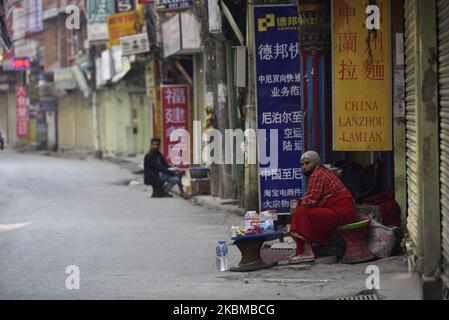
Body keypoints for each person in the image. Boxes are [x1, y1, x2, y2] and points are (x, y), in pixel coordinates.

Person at [288, 151, 358, 264]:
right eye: (302, 164)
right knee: (303, 211)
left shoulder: (318, 174)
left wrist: (297, 205)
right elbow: (311, 197)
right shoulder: (319, 173)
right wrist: (298, 202)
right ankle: (303, 251)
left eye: (307, 163)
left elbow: (310, 201)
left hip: (342, 212)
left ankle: (307, 253)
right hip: (338, 210)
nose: (304, 167)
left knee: (302, 212)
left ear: (316, 164)